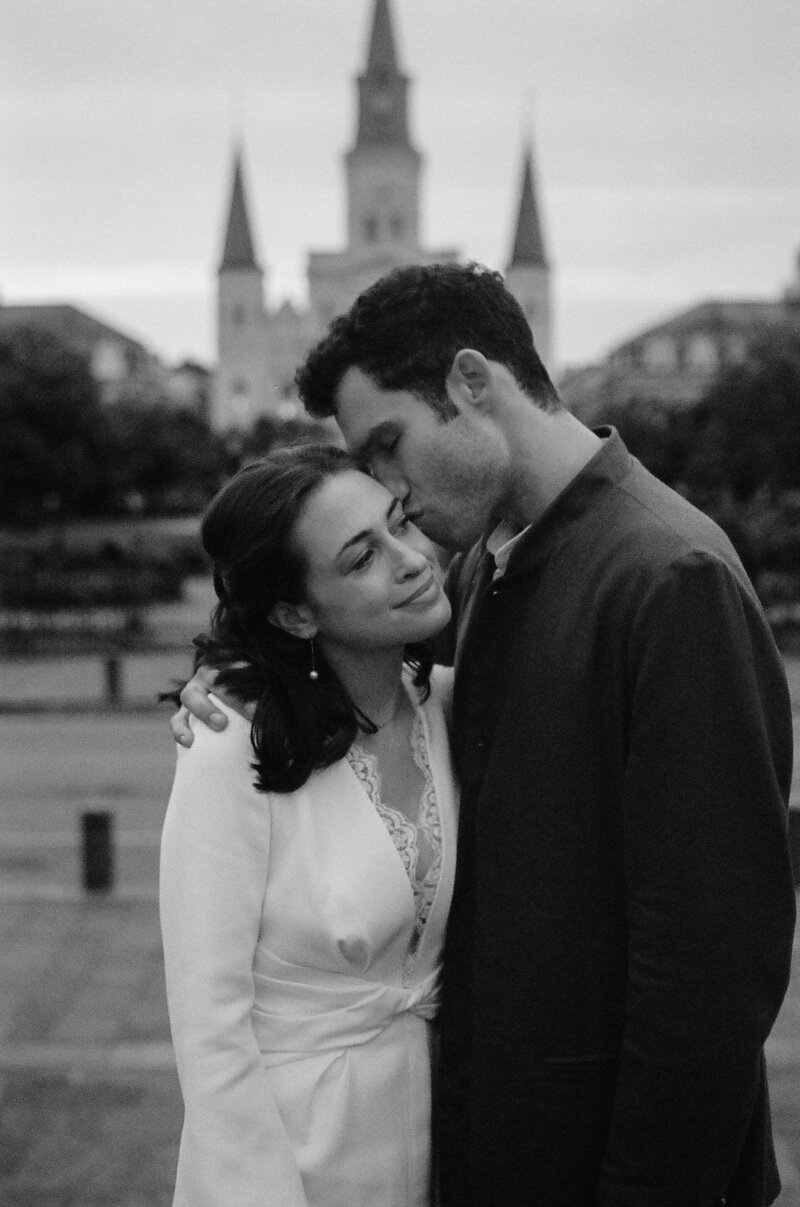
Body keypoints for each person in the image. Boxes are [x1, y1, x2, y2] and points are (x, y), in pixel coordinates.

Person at [174, 263, 796, 1206]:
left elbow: (711, 975)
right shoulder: (485, 572)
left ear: (473, 383)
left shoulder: (670, 577)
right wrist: (229, 684)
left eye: (389, 446)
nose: (391, 493)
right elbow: (361, 674)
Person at [160, 444, 458, 1207]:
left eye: (399, 525)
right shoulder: (231, 739)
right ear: (296, 612)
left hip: (441, 1137)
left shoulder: (451, 706)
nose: (412, 559)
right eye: (362, 558)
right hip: (294, 1152)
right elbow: (210, 1027)